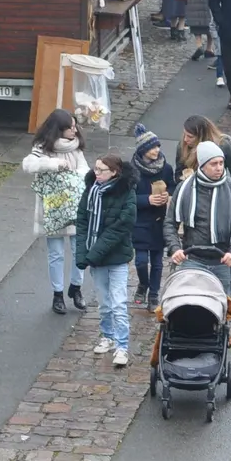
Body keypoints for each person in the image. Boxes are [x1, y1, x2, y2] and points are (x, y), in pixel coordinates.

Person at [23, 109, 89, 314]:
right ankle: (57, 294)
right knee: (56, 254)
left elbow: (85, 172)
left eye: (74, 125)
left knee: (80, 251)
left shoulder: (76, 148)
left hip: (75, 207)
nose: (74, 129)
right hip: (52, 210)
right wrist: (54, 164)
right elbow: (28, 165)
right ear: (58, 129)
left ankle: (76, 288)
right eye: (69, 127)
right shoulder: (43, 148)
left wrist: (75, 177)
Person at [74, 153, 136, 367]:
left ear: (114, 173)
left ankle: (122, 346)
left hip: (116, 258)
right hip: (96, 258)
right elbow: (82, 221)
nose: (96, 173)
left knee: (118, 303)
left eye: (101, 170)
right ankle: (107, 336)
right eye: (95, 169)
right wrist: (83, 254)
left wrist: (93, 253)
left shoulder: (126, 193)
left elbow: (120, 227)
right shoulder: (91, 191)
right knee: (103, 303)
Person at [165, 141, 231, 294]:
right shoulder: (184, 188)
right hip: (193, 259)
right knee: (189, 305)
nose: (219, 168)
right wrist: (175, 248)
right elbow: (170, 222)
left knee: (222, 309)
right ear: (202, 165)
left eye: (221, 163)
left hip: (222, 259)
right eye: (213, 164)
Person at [129, 126, 177, 308]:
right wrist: (147, 199)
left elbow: (172, 186)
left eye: (157, 146)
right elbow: (128, 197)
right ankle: (143, 284)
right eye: (152, 148)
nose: (156, 150)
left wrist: (167, 195)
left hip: (159, 221)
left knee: (157, 263)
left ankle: (154, 294)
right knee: (141, 261)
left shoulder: (166, 168)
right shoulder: (132, 171)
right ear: (142, 151)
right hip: (140, 222)